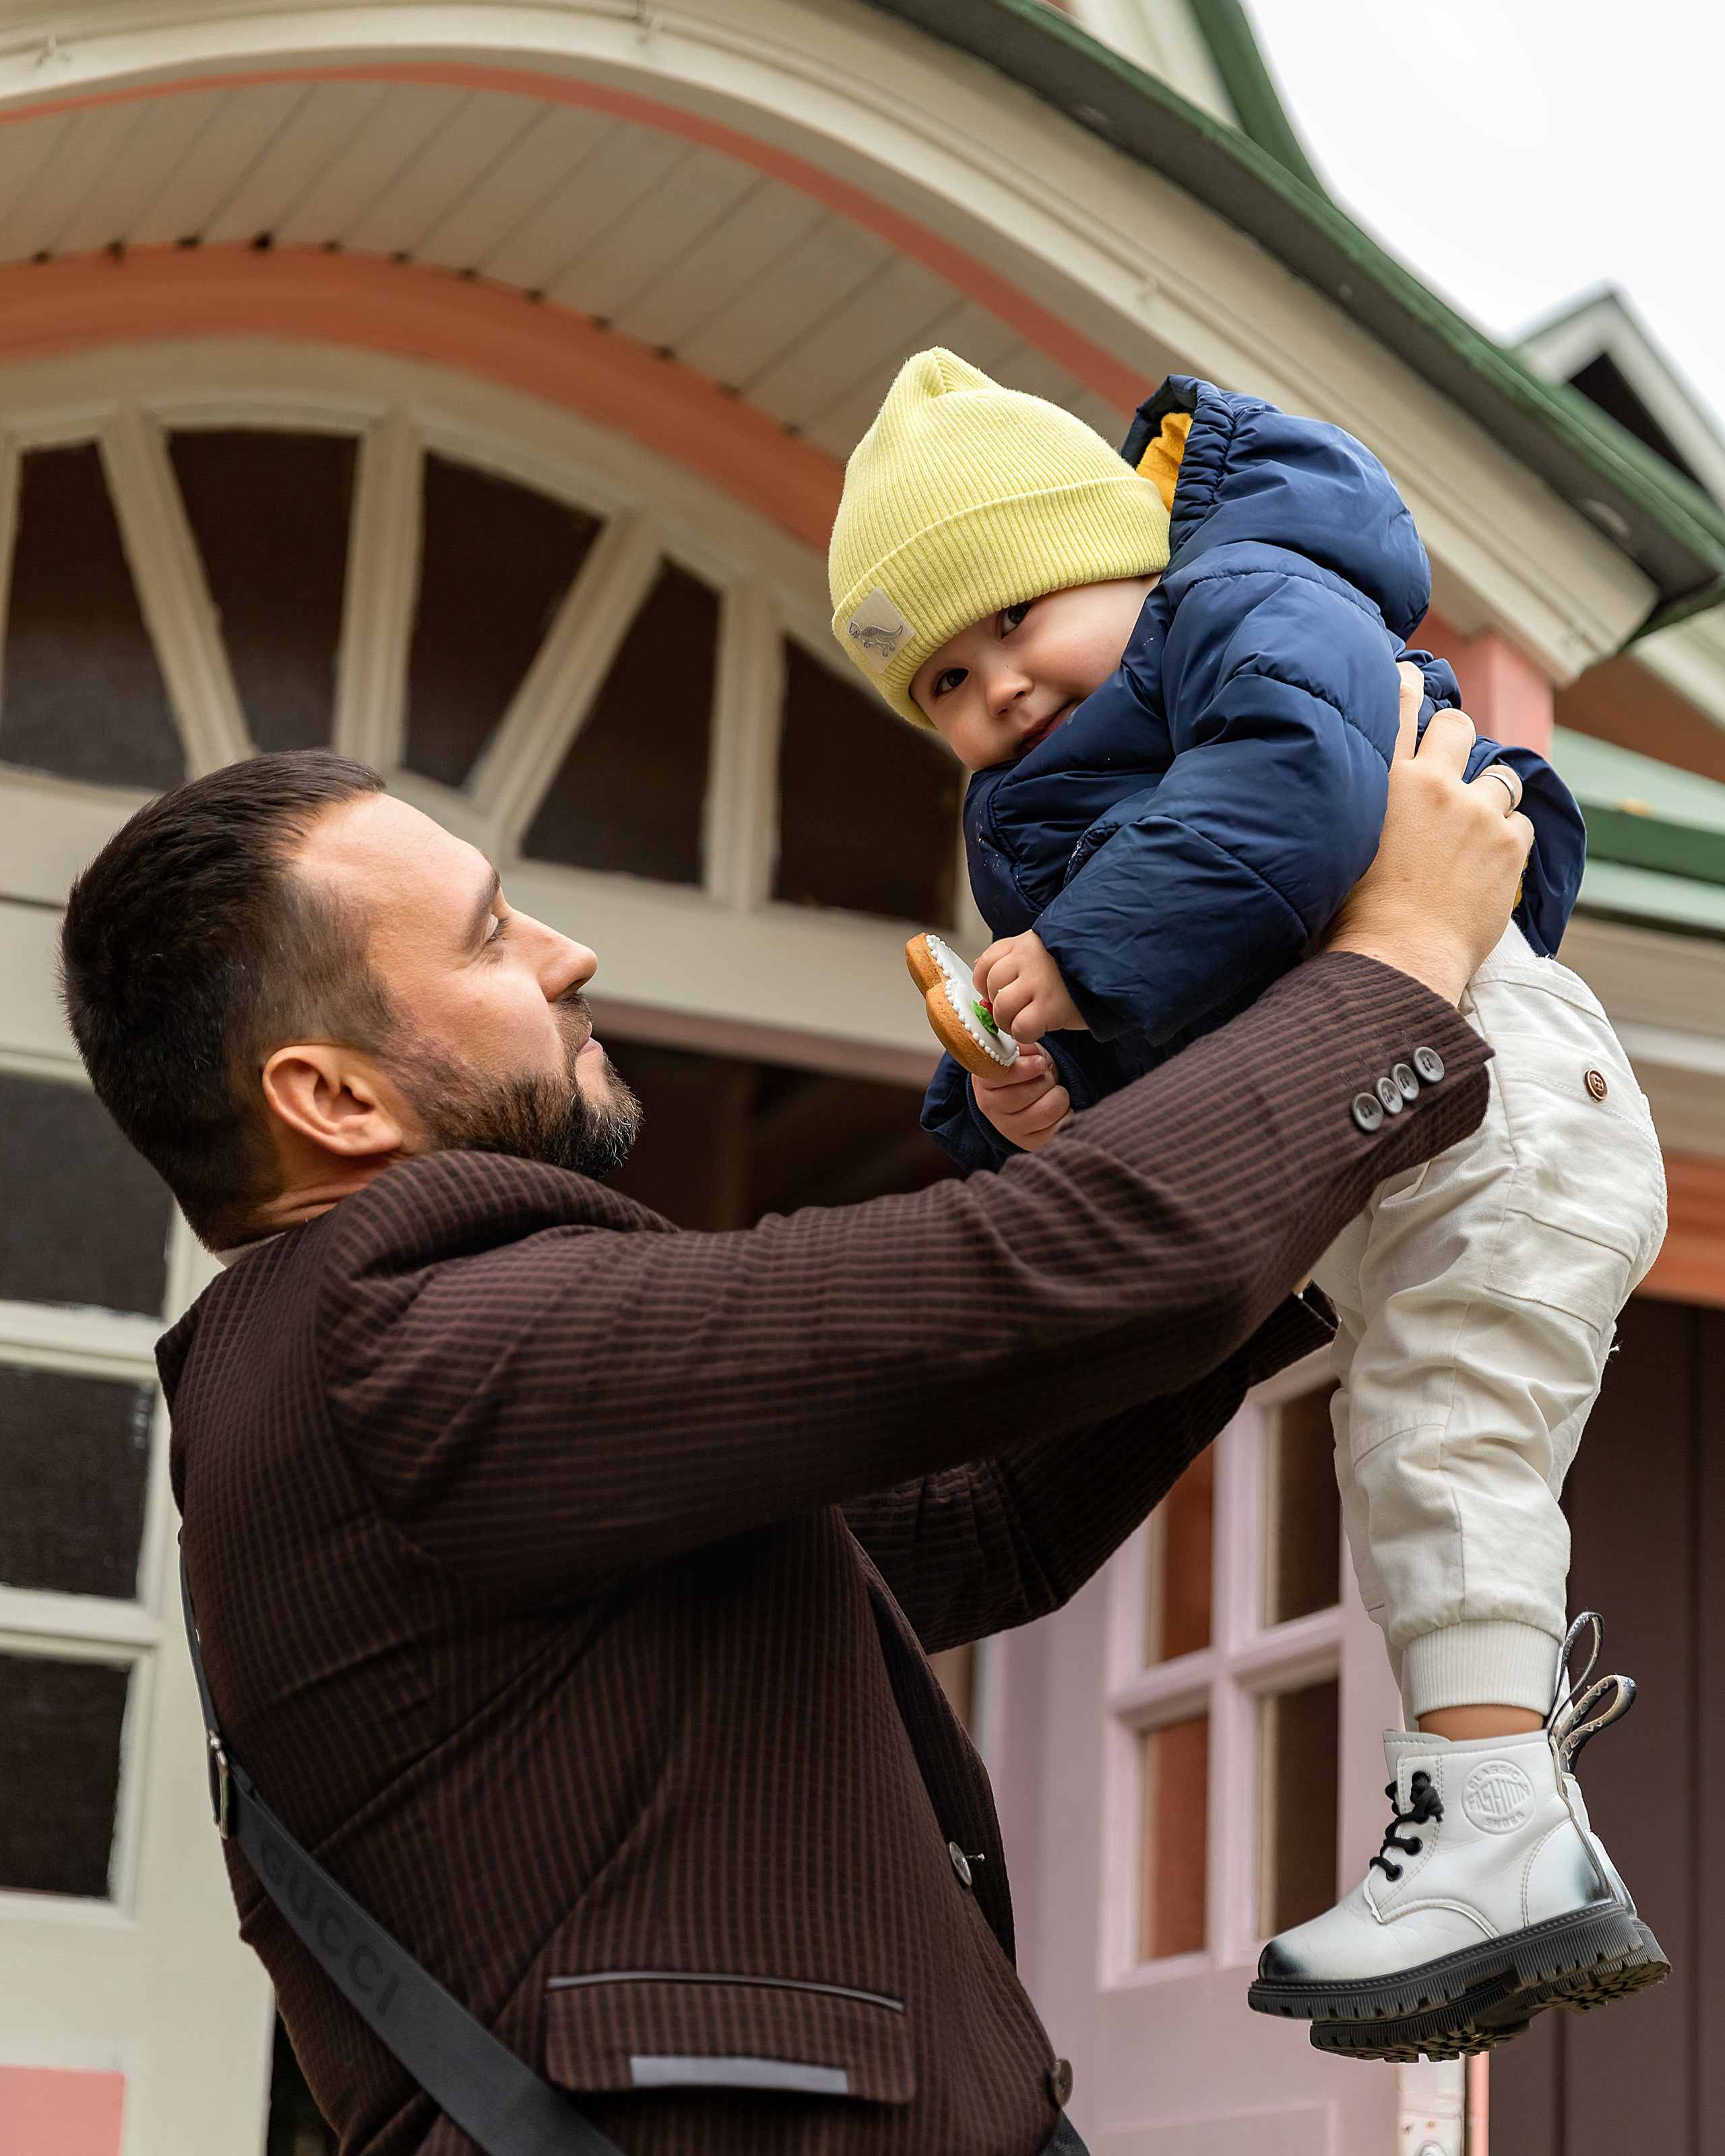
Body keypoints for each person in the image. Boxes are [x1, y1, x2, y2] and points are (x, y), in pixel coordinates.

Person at [61, 723, 1517, 2156]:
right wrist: (1393, 963)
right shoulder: (393, 1336)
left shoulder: (368, 1385)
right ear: (333, 1098)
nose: (567, 955)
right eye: (492, 935)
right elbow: (1031, 1270)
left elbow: (972, 1517)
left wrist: (1315, 1245)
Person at [826, 350, 1668, 2058]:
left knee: (1443, 1441)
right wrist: (1024, 1097)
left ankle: (1492, 1829)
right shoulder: (1039, 802)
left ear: (1115, 556)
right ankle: (1504, 1815)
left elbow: (1290, 791)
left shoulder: (1242, 600)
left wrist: (1078, 951)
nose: (995, 688)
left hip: (1487, 1090)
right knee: (1416, 1456)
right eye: (943, 682)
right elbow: (1167, 1041)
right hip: (1391, 1135)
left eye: (1015, 619)